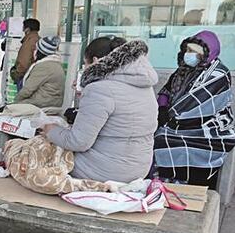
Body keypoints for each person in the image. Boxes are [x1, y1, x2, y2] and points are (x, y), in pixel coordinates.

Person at [41, 37, 158, 183]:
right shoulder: (144, 84)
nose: (84, 68)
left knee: (35, 151)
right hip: (139, 169)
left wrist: (49, 129)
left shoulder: (98, 89)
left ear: (95, 60)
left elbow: (78, 142)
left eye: (85, 63)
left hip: (104, 171)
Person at [154, 30, 235, 186]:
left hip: (209, 126)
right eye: (187, 50)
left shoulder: (218, 74)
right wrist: (162, 108)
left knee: (167, 140)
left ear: (206, 53)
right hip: (177, 121)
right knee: (160, 137)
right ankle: (168, 181)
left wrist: (172, 118)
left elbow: (197, 104)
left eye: (194, 52)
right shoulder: (182, 71)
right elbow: (166, 92)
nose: (189, 54)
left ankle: (189, 185)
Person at [12, 35, 64, 109]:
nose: (34, 51)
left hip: (40, 104)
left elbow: (27, 90)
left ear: (40, 51)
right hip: (51, 103)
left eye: (36, 48)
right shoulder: (56, 64)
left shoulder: (44, 67)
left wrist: (15, 103)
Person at [10, 18, 42, 85]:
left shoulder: (30, 41)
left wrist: (17, 73)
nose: (22, 28)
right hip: (34, 74)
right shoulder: (38, 39)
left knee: (22, 94)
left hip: (26, 76)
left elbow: (24, 61)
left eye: (24, 26)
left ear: (27, 28)